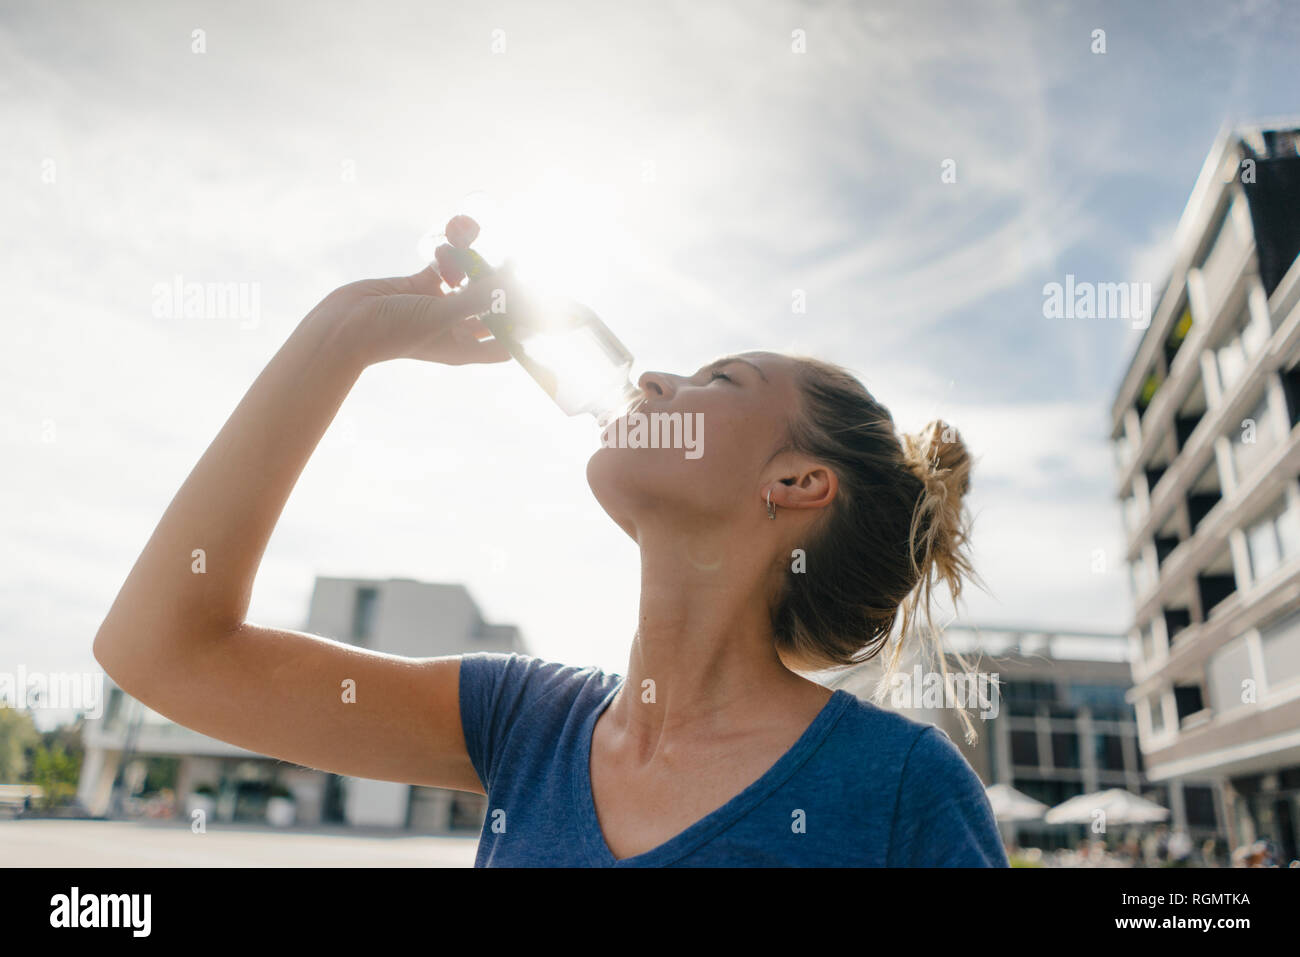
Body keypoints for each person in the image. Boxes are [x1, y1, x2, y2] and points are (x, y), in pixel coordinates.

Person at [93, 227, 1007, 867]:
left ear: (799, 483)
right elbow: (163, 651)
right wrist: (345, 334)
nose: (652, 377)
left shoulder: (900, 788)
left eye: (720, 378)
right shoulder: (523, 722)